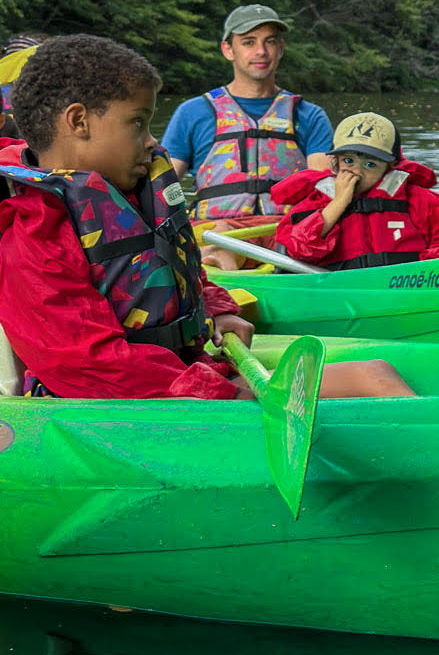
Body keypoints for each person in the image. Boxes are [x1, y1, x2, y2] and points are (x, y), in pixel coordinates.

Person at [0, 35, 409, 402]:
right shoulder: (33, 235)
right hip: (123, 404)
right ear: (78, 121)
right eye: (138, 123)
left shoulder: (126, 194)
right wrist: (221, 392)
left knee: (377, 373)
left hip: (178, 379)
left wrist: (218, 308)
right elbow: (88, 365)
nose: (152, 141)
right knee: (373, 381)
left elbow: (173, 269)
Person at [160, 5, 333, 267]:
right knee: (218, 244)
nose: (261, 52)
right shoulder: (193, 113)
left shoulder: (309, 115)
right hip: (220, 231)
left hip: (288, 231)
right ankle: (220, 295)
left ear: (280, 49)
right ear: (228, 49)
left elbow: (324, 188)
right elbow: (163, 186)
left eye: (270, 42)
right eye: (249, 42)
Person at [270, 111, 439, 268]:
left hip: (406, 291)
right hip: (341, 293)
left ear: (391, 166)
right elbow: (299, 249)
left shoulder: (423, 201)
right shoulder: (315, 202)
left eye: (370, 164)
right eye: (348, 161)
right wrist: (337, 203)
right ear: (335, 162)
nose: (357, 172)